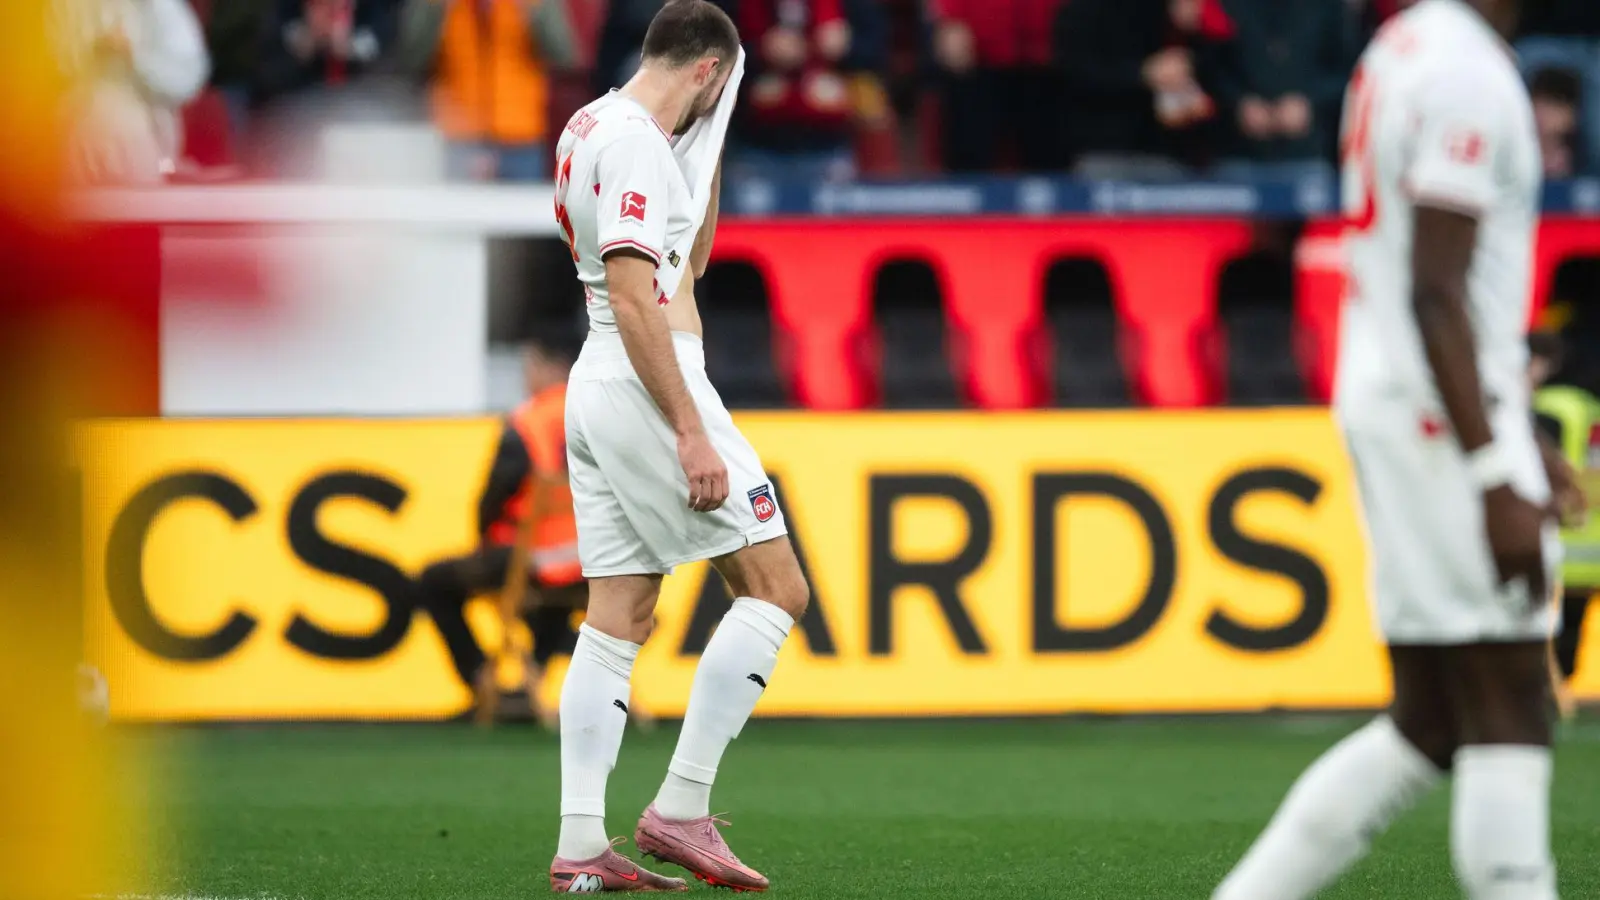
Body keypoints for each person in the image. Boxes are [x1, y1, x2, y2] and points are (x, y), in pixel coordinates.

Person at [1213, 1, 1574, 898]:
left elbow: (1432, 282)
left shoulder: (1404, 46)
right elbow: (1438, 292)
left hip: (1401, 396)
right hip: (1437, 419)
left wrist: (1516, 432)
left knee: (1431, 721)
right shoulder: (1466, 74)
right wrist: (1496, 469)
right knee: (1514, 698)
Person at [547, 0, 810, 892]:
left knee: (619, 611)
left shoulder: (596, 126)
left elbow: (685, 261)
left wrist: (712, 139)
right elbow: (636, 295)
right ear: (706, 71)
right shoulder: (631, 143)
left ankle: (581, 843)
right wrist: (690, 429)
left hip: (601, 379)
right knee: (778, 587)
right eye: (722, 91)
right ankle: (682, 808)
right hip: (646, 376)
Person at [418, 333, 652, 729]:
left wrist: (485, 539)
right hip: (597, 562)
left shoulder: (528, 422)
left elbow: (495, 493)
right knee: (550, 608)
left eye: (530, 367)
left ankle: (485, 685)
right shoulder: (608, 414)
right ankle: (540, 681)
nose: (527, 378)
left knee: (432, 581)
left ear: (551, 368)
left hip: (534, 559)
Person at [396, 0, 580, 182]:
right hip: (458, 140)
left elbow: (564, 56)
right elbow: (411, 59)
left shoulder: (538, 4)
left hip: (521, 140)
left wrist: (534, 13)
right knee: (457, 210)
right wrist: (434, 11)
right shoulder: (432, 4)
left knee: (522, 211)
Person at [1530, 331, 1597, 719]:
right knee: (1570, 628)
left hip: (1554, 534)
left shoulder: (1546, 408)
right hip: (1588, 537)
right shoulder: (1588, 407)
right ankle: (1559, 690)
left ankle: (1544, 695)